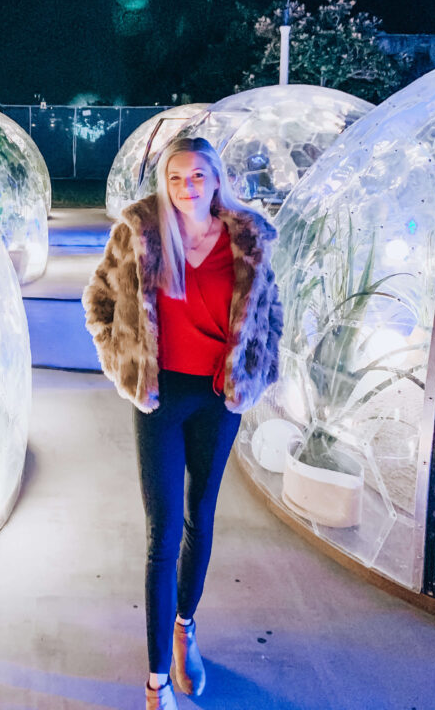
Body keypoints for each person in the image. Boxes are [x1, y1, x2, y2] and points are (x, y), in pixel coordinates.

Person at [83, 136, 283, 709]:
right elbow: (97, 302)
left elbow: (272, 316)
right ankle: (155, 682)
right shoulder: (141, 230)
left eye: (197, 176)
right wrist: (125, 368)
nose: (186, 188)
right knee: (162, 533)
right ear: (164, 183)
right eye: (175, 178)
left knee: (201, 514)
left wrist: (252, 375)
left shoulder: (250, 238)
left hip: (219, 401)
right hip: (161, 397)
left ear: (216, 178)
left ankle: (185, 627)